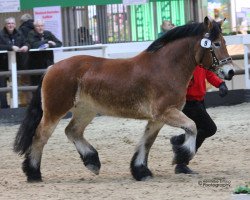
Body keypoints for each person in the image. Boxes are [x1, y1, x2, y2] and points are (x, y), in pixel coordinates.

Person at [170, 65, 228, 174]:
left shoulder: (202, 59)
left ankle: (180, 146)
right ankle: (181, 159)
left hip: (199, 100)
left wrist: (220, 83)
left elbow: (208, 73)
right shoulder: (188, 58)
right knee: (209, 129)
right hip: (188, 101)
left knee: (198, 130)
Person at [0, 17, 29, 108]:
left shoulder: (19, 34)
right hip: (2, 65)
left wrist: (26, 46)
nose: (10, 25)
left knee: (17, 87)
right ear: (5, 25)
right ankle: (4, 108)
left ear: (15, 25)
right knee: (3, 88)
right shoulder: (0, 34)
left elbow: (27, 42)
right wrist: (10, 47)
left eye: (12, 23)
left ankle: (18, 106)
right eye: (8, 23)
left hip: (17, 65)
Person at [27, 19, 62, 85]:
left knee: (48, 84)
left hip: (48, 62)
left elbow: (59, 43)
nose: (40, 28)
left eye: (42, 26)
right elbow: (34, 45)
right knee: (36, 85)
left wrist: (50, 45)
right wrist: (47, 41)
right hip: (35, 64)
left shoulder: (48, 33)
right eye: (38, 26)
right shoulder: (31, 33)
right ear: (34, 27)